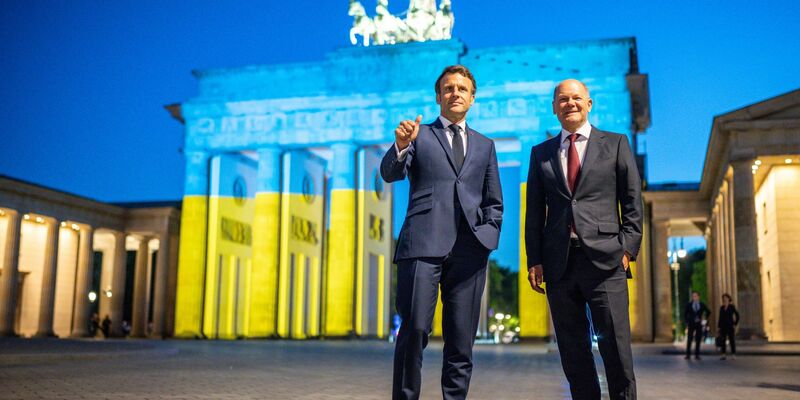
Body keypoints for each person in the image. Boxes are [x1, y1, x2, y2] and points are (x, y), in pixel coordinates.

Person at [381, 64, 503, 400]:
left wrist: (488, 236)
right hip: (423, 244)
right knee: (414, 330)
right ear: (438, 97)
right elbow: (390, 173)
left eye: (462, 89)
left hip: (471, 252)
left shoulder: (485, 145)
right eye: (448, 89)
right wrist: (401, 145)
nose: (455, 94)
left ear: (472, 98)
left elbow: (494, 200)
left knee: (462, 341)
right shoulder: (419, 136)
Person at [525, 79, 643, 400]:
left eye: (576, 98)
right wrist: (535, 260)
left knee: (616, 349)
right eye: (563, 99)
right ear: (554, 107)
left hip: (606, 261)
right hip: (559, 264)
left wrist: (627, 250)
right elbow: (534, 212)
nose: (570, 104)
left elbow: (632, 201)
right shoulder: (540, 153)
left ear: (589, 104)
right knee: (573, 353)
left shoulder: (616, 143)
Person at [684, 291, 711, 360]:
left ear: (698, 297)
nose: (694, 297)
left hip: (699, 323)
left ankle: (697, 355)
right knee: (689, 339)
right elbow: (685, 314)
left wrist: (704, 318)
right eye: (693, 296)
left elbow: (708, 311)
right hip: (691, 323)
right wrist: (687, 322)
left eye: (695, 296)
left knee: (698, 339)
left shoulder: (702, 304)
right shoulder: (689, 304)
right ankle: (688, 354)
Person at [717, 293, 740, 360]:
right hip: (723, 326)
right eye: (723, 298)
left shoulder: (732, 307)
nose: (725, 299)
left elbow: (737, 315)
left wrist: (735, 324)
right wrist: (719, 327)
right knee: (723, 341)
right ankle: (723, 354)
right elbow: (720, 318)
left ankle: (733, 354)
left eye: (726, 298)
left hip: (730, 326)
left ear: (729, 299)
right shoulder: (722, 307)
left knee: (732, 340)